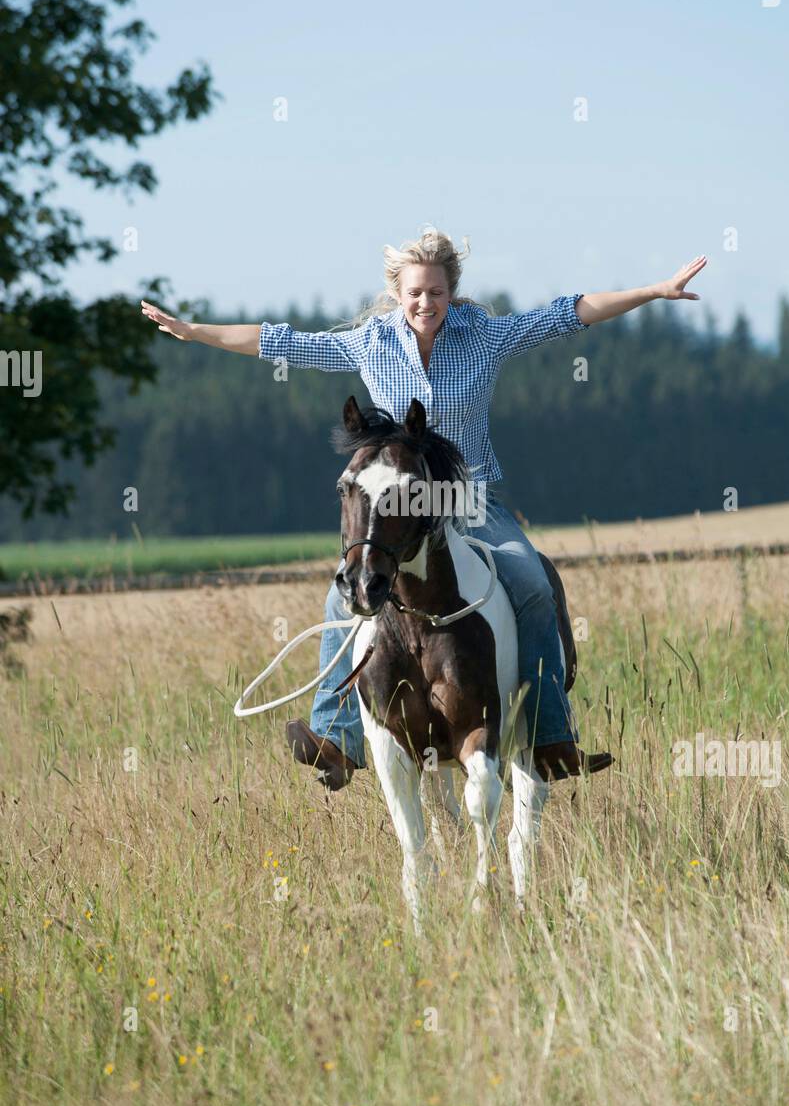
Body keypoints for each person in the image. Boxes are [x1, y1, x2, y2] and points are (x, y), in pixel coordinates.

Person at [143, 230, 707, 787]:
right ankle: (335, 738)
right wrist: (194, 332)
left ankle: (548, 737)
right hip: (400, 508)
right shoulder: (369, 342)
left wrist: (655, 290)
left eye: (436, 292)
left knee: (533, 584)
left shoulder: (484, 336)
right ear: (398, 292)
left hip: (470, 500)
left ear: (450, 291)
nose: (425, 303)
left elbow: (570, 313)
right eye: (415, 292)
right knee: (341, 594)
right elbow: (278, 342)